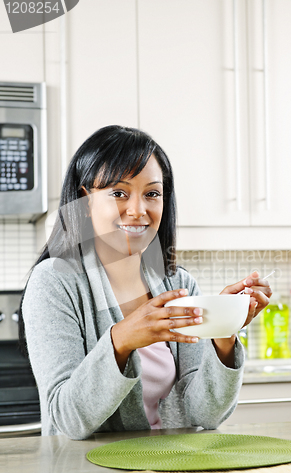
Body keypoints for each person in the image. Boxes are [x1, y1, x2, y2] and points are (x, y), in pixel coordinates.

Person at [20, 125, 271, 440]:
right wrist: (121, 340)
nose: (138, 210)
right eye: (118, 193)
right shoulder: (56, 281)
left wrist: (223, 332)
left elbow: (203, 415)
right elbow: (66, 419)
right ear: (86, 201)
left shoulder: (178, 283)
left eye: (152, 193)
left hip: (166, 469)